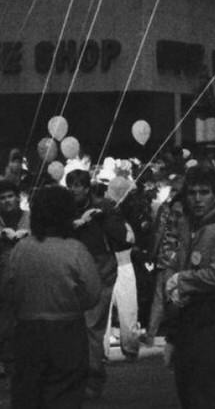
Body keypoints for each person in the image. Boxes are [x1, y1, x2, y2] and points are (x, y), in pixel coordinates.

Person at [0, 183, 103, 409]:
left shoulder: (20, 249)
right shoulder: (75, 249)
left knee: (28, 393)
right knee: (65, 393)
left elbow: (8, 289)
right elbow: (93, 293)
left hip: (28, 330)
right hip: (67, 330)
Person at [155, 163, 215, 409]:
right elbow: (178, 265)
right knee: (190, 392)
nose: (197, 199)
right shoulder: (188, 226)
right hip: (190, 322)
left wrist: (183, 280)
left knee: (213, 394)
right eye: (192, 192)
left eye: (204, 192)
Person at [63, 166, 128, 397]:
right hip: (73, 270)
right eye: (70, 186)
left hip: (102, 269)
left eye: (78, 185)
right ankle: (77, 377)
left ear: (87, 187)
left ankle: (93, 378)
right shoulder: (65, 211)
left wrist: (103, 218)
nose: (74, 190)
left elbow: (121, 238)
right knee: (74, 327)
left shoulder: (105, 207)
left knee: (93, 327)